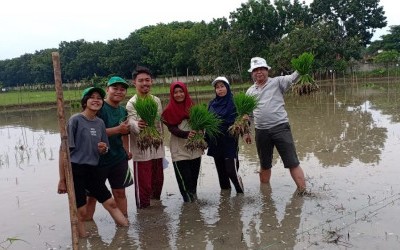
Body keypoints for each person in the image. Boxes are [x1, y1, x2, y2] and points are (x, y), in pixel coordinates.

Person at [57, 87, 128, 238]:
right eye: (92, 97)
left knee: (111, 203)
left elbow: (104, 148)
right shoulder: (75, 120)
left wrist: (103, 149)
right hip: (76, 170)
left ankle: (127, 233)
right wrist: (62, 180)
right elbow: (63, 152)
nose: (96, 100)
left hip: (94, 169)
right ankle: (82, 239)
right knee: (81, 212)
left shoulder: (100, 123)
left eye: (99, 98)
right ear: (85, 101)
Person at [245, 57, 306, 191]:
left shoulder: (278, 82)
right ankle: (265, 194)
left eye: (262, 69)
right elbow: (247, 114)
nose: (259, 72)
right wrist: (246, 132)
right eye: (255, 70)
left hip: (280, 128)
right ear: (252, 73)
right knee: (264, 164)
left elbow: (293, 77)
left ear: (267, 70)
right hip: (261, 131)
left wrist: (302, 67)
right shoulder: (250, 92)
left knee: (292, 162)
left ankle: (303, 191)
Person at [85, 76, 133, 220]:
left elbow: (125, 132)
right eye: (115, 88)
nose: (119, 91)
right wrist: (118, 129)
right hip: (97, 160)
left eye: (122, 89)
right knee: (91, 196)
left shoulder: (123, 111)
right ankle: (88, 225)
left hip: (118, 158)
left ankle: (123, 223)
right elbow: (92, 131)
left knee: (120, 192)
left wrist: (126, 149)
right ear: (107, 90)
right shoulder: (99, 107)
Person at [126, 66, 165, 209]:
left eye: (147, 80)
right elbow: (131, 123)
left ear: (152, 82)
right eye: (140, 80)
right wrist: (137, 125)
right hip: (141, 150)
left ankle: (157, 212)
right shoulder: (132, 103)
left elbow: (159, 123)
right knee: (144, 185)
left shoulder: (156, 101)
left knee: (158, 181)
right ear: (134, 83)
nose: (144, 83)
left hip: (157, 147)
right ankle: (143, 214)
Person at [161, 81, 202, 202]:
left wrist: (201, 133)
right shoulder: (168, 110)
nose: (179, 94)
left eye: (181, 91)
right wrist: (186, 134)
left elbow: (201, 124)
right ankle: (189, 206)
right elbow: (172, 128)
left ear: (185, 92)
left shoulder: (193, 107)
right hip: (179, 150)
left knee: (194, 179)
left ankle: (194, 210)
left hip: (195, 148)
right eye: (175, 92)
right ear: (172, 94)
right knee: (185, 181)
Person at [206, 76, 246, 194]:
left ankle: (240, 195)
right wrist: (204, 140)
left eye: (222, 86)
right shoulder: (212, 104)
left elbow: (244, 121)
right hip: (215, 142)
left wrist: (244, 123)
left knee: (231, 171)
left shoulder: (235, 102)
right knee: (222, 174)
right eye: (217, 87)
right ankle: (225, 203)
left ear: (227, 87)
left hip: (229, 141)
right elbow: (207, 123)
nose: (220, 89)